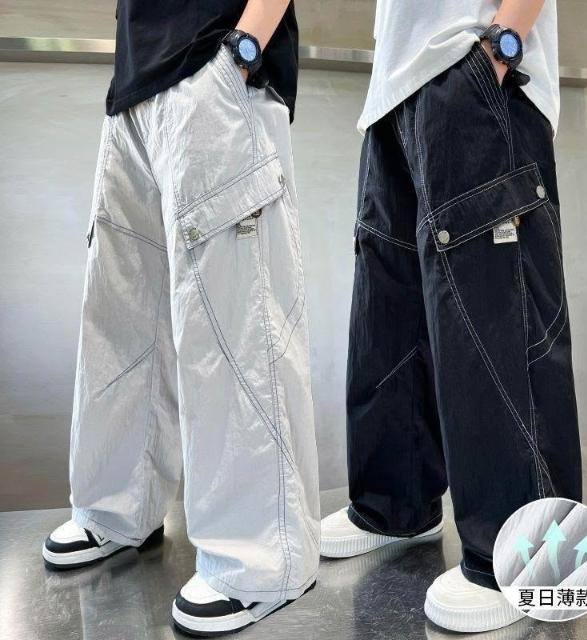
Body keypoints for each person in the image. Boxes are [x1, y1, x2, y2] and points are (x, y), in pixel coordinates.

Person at [41, 1, 320, 635]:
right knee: (122, 322)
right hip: (134, 88)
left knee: (236, 324)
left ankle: (262, 561)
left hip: (216, 63)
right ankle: (118, 507)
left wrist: (244, 49)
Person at [320, 0, 582, 633]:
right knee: (391, 318)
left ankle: (532, 561)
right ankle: (396, 505)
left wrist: (503, 45)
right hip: (395, 90)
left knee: (494, 322)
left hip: (477, 65)